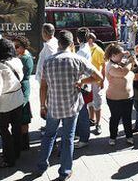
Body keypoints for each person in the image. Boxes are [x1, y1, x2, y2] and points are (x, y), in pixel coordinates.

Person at [37, 30, 103, 180]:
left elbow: (43, 86)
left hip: (53, 105)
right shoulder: (77, 60)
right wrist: (82, 81)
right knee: (68, 138)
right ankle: (65, 171)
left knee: (49, 135)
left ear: (59, 43)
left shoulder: (48, 61)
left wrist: (42, 105)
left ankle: (41, 165)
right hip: (72, 106)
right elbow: (98, 77)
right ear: (72, 44)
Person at [0, 39, 24, 168]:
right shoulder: (17, 61)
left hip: (5, 102)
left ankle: (9, 158)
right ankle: (16, 152)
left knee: (3, 130)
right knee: (16, 127)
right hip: (18, 98)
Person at [105, 43, 135, 145]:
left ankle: (129, 136)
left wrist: (126, 56)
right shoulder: (111, 66)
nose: (122, 56)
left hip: (127, 97)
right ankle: (112, 137)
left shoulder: (120, 62)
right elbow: (123, 72)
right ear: (113, 55)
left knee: (127, 118)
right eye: (120, 54)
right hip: (114, 98)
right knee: (115, 118)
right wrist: (130, 62)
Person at [12, 35, 34, 151]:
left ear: (23, 46)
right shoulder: (22, 55)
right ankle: (23, 142)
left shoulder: (24, 58)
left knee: (22, 117)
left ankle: (23, 143)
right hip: (22, 87)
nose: (15, 49)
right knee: (22, 117)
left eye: (17, 46)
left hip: (22, 88)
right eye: (13, 46)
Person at [74, 28, 93, 149]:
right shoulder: (85, 48)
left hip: (82, 83)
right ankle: (80, 134)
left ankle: (84, 138)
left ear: (77, 38)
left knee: (82, 112)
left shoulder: (81, 51)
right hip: (85, 82)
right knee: (81, 110)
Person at [87, 32, 106, 135]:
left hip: (96, 80)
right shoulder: (85, 49)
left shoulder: (98, 51)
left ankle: (98, 123)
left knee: (97, 101)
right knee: (89, 101)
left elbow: (103, 66)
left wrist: (102, 80)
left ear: (90, 40)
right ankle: (91, 118)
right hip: (87, 79)